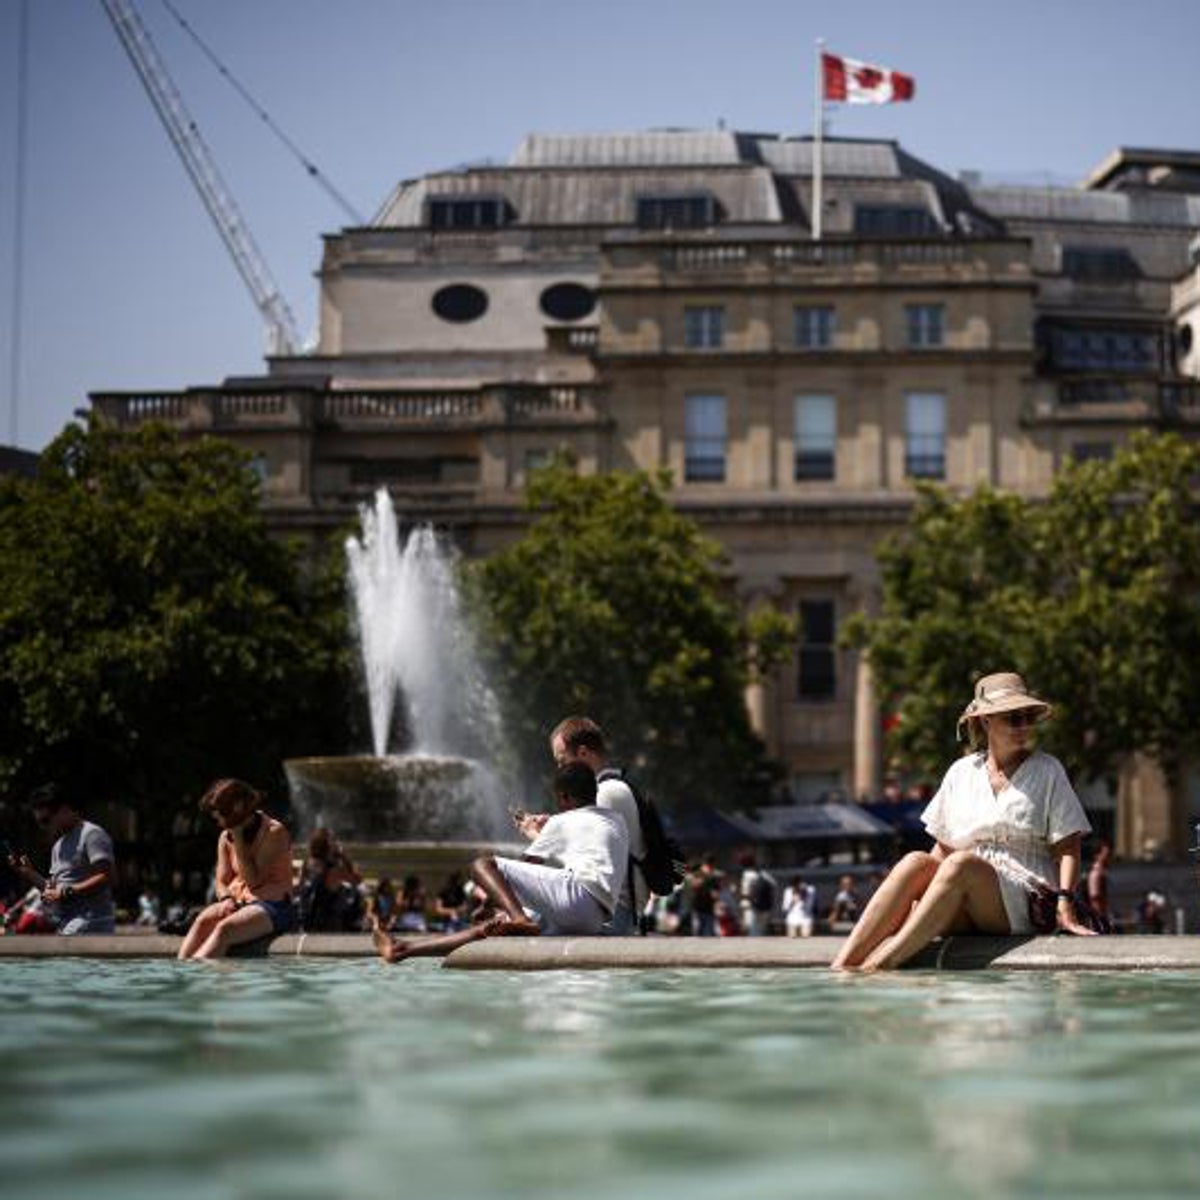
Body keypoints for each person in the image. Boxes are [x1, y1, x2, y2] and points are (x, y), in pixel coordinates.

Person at [832, 672, 1097, 972]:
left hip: (1024, 897)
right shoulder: (961, 772)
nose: (1024, 726)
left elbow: (1068, 847)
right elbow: (941, 851)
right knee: (914, 861)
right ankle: (841, 968)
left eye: (1029, 718)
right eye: (1013, 718)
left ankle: (881, 964)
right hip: (964, 899)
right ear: (986, 721)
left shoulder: (1048, 770)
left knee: (961, 865)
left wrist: (1065, 904)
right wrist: (918, 900)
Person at [372, 762, 628, 962]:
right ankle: (403, 949)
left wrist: (491, 901)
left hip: (575, 898)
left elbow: (526, 865)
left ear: (563, 797)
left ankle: (521, 919)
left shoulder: (562, 821)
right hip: (594, 917)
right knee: (492, 928)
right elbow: (583, 848)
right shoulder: (616, 820)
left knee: (482, 865)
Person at [549, 716, 648, 934]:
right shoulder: (606, 789)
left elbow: (585, 863)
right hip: (610, 910)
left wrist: (541, 838)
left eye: (562, 761)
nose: (560, 770)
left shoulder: (607, 792)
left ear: (583, 754)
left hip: (613, 913)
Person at [178, 779, 295, 960]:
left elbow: (254, 881)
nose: (217, 821)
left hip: (274, 905)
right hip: (237, 902)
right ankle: (182, 977)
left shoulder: (274, 832)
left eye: (219, 815)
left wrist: (239, 839)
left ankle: (198, 976)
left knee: (225, 929)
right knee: (201, 921)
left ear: (238, 806)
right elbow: (221, 880)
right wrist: (225, 898)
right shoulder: (225, 836)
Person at [8, 784, 116, 934]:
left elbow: (108, 877)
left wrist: (67, 891)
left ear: (64, 809)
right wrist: (28, 873)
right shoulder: (58, 846)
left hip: (92, 926)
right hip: (67, 927)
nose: (43, 827)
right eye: (39, 822)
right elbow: (53, 892)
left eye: (45, 820)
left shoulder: (91, 834)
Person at [298, 828, 363, 932]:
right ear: (328, 845)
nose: (336, 843)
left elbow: (300, 887)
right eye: (333, 840)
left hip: (309, 918)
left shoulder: (307, 863)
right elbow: (357, 879)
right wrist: (344, 856)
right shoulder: (332, 869)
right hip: (329, 920)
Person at [738, 853, 778, 937]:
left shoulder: (746, 874)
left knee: (752, 930)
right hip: (764, 905)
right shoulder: (762, 873)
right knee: (761, 930)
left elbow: (745, 892)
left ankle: (753, 948)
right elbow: (774, 885)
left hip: (750, 905)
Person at [1086, 841, 1112, 928]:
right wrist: (1101, 920)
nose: (1109, 858)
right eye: (1106, 855)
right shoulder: (1096, 874)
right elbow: (1095, 898)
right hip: (1098, 918)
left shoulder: (1101, 873)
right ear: (1097, 856)